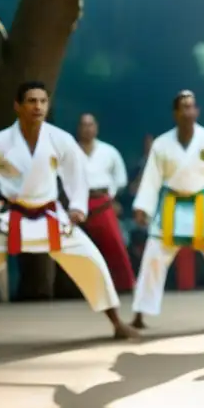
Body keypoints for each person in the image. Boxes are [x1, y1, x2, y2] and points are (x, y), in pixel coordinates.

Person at [0, 82, 136, 338]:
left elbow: (76, 177)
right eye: (31, 101)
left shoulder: (60, 139)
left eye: (43, 101)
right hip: (12, 217)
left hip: (50, 216)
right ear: (17, 106)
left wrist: (77, 208)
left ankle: (116, 322)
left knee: (92, 261)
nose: (38, 107)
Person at [130, 91, 204, 334]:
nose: (187, 111)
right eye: (183, 107)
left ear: (197, 111)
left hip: (203, 207)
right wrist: (143, 206)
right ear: (175, 113)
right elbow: (152, 179)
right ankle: (140, 314)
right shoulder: (162, 144)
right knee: (153, 257)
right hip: (171, 207)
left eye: (191, 106)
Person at [76, 112, 136, 292]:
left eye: (90, 124)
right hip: (78, 203)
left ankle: (125, 284)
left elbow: (120, 179)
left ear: (96, 127)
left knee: (114, 244)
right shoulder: (70, 151)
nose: (87, 128)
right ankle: (81, 288)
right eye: (83, 125)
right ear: (78, 128)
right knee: (79, 247)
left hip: (103, 201)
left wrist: (112, 198)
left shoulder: (109, 151)